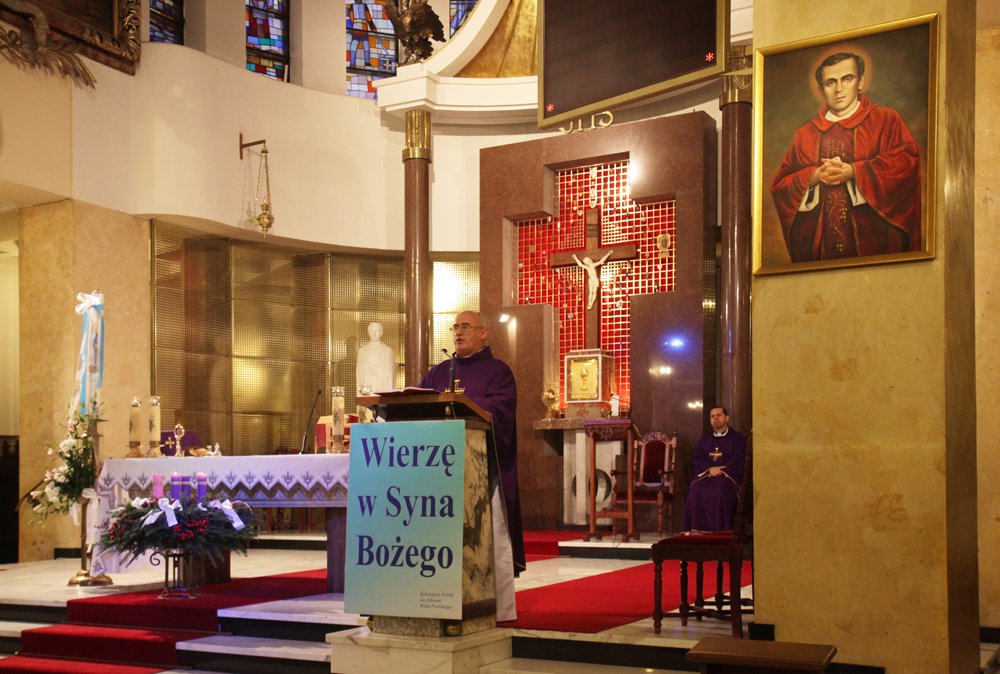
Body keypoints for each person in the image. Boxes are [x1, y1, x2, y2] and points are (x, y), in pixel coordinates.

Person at [418, 310, 524, 622]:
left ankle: (498, 609)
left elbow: (501, 408)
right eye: (455, 327)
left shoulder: (498, 371)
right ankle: (436, 603)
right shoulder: (439, 372)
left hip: (484, 471)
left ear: (484, 333)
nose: (458, 332)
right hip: (437, 473)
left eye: (465, 326)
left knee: (491, 538)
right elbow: (418, 401)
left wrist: (462, 404)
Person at [770, 52, 921, 262]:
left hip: (874, 241)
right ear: (821, 91)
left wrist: (854, 172)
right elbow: (781, 186)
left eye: (847, 79)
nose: (839, 89)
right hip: (821, 250)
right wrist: (813, 177)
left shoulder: (885, 119)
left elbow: (907, 162)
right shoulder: (805, 134)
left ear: (861, 82)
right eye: (830, 82)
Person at [681, 406, 747, 533]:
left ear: (727, 418)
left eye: (718, 415)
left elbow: (739, 459)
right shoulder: (705, 440)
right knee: (695, 488)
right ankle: (696, 531)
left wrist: (722, 471)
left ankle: (720, 532)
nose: (715, 418)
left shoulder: (737, 438)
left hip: (728, 477)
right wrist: (710, 469)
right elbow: (698, 459)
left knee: (720, 492)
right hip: (707, 475)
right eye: (712, 416)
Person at [356, 321, 395, 393]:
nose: (374, 334)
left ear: (381, 333)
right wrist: (367, 368)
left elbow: (390, 373)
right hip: (367, 390)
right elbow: (359, 372)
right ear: (368, 333)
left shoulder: (387, 351)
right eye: (371, 332)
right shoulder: (362, 351)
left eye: (377, 331)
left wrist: (378, 370)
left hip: (381, 389)